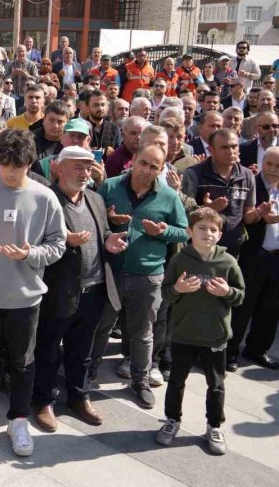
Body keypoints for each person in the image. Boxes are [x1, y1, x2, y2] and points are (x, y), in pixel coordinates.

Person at [0, 129, 66, 456]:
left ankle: (18, 418)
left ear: (30, 163)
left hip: (25, 296)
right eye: (4, 164)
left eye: (17, 166)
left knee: (22, 361)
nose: (9, 172)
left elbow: (58, 245)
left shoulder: (45, 196)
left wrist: (30, 255)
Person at [33, 146, 128, 432]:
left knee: (82, 351)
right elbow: (35, 245)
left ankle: (79, 396)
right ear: (58, 169)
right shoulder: (45, 201)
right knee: (48, 349)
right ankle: (44, 401)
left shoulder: (96, 199)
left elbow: (103, 233)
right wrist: (64, 244)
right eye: (78, 167)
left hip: (94, 289)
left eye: (88, 168)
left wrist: (109, 242)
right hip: (58, 290)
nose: (85, 173)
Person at [94, 145, 188, 409]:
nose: (147, 170)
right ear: (133, 160)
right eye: (143, 163)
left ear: (162, 169)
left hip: (147, 275)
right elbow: (94, 221)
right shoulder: (110, 187)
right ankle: (88, 373)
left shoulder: (169, 196)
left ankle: (140, 379)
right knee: (101, 325)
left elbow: (183, 232)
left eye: (154, 166)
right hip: (111, 271)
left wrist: (163, 231)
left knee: (143, 332)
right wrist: (110, 220)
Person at [156, 207, 245, 456]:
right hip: (184, 333)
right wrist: (178, 289)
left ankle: (214, 426)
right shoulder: (179, 260)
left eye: (213, 229)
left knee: (216, 384)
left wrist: (227, 292)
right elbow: (165, 292)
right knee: (175, 381)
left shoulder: (228, 262)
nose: (208, 233)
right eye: (202, 228)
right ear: (189, 232)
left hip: (215, 336)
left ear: (220, 234)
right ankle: (172, 419)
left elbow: (240, 297)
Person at [228, 146, 279, 371]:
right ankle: (230, 352)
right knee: (243, 306)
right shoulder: (250, 184)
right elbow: (241, 219)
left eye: (278, 165)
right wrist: (261, 217)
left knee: (270, 309)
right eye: (268, 163)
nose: (271, 169)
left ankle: (257, 350)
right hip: (254, 256)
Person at [181, 129, 255, 257]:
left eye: (234, 146)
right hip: (201, 248)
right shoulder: (194, 174)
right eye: (224, 147)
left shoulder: (247, 175)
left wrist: (259, 213)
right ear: (211, 150)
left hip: (234, 247)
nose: (231, 152)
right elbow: (183, 215)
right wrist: (209, 209)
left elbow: (248, 213)